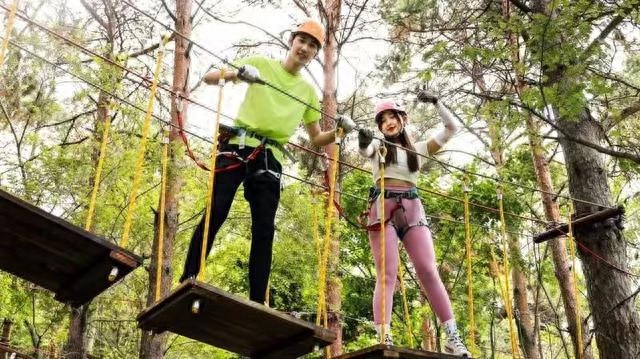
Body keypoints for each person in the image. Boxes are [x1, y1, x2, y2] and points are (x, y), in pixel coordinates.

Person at [180, 19, 355, 304]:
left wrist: (339, 132)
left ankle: (257, 301)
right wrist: (238, 73)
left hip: (269, 156)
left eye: (312, 46)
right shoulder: (261, 64)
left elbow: (316, 138)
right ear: (291, 41)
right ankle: (189, 276)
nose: (306, 48)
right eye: (303, 41)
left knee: (264, 227)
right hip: (237, 144)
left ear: (314, 54)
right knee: (218, 210)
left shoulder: (307, 92)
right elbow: (210, 77)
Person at [357, 93, 470, 357]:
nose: (388, 123)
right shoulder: (379, 147)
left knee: (429, 271)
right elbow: (366, 150)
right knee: (387, 275)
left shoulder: (419, 149)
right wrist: (363, 140)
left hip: (412, 207)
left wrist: (438, 102)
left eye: (392, 117)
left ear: (403, 119)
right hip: (382, 208)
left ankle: (453, 337)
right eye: (382, 121)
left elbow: (452, 128)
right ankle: (384, 335)